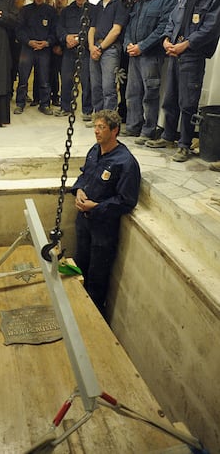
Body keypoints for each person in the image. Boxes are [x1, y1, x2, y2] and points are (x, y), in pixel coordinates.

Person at [146, 0, 220, 162]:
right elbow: (172, 20)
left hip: (192, 56)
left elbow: (210, 28)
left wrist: (185, 44)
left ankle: (184, 144)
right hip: (175, 55)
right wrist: (167, 40)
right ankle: (168, 136)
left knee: (188, 103)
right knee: (170, 99)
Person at [71, 110, 141, 314]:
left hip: (103, 229)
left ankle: (92, 317)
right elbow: (84, 175)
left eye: (102, 127)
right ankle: (75, 308)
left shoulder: (126, 162)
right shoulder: (95, 150)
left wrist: (97, 207)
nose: (97, 131)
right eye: (96, 127)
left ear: (115, 130)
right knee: (79, 264)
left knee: (97, 277)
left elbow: (126, 201)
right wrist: (79, 191)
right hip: (83, 222)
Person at [123, 0, 178, 143]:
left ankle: (148, 130)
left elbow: (163, 27)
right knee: (132, 93)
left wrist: (142, 46)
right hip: (135, 54)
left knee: (150, 94)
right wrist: (129, 44)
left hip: (150, 55)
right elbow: (130, 24)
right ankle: (132, 126)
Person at [88, 0, 128, 122]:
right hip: (95, 49)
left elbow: (116, 30)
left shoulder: (120, 2)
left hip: (110, 50)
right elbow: (92, 28)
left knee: (108, 87)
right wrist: (91, 46)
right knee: (96, 87)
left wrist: (100, 48)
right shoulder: (99, 4)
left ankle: (109, 121)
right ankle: (99, 119)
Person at [14, 0, 57, 115]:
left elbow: (55, 31)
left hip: (44, 49)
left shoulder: (51, 11)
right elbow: (19, 30)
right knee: (23, 78)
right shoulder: (25, 11)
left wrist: (47, 42)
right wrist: (28, 42)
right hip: (28, 48)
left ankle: (44, 104)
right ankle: (20, 103)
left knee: (44, 79)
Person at [56, 0, 93, 118]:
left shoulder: (93, 10)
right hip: (68, 52)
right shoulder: (66, 11)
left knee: (86, 81)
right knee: (66, 80)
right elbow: (59, 28)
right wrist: (66, 38)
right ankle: (65, 107)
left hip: (85, 51)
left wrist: (77, 40)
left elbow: (93, 29)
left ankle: (87, 110)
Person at [50, 0, 69, 107]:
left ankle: (66, 99)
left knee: (66, 76)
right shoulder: (52, 14)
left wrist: (62, 47)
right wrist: (54, 46)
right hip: (52, 49)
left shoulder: (69, 14)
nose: (59, 1)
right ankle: (55, 97)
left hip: (66, 50)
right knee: (53, 75)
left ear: (67, 0)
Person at [9, 0, 26, 97]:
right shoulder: (9, 14)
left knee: (23, 72)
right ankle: (9, 92)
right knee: (10, 70)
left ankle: (22, 94)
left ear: (23, 0)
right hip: (11, 46)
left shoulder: (27, 13)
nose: (16, 0)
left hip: (23, 47)